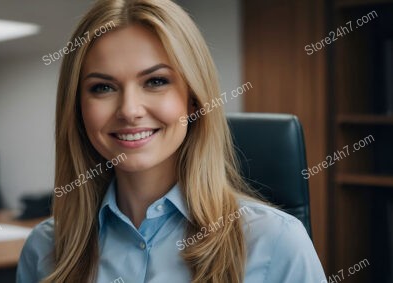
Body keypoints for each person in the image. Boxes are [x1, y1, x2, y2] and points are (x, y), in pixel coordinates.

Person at [17, 0, 327, 282]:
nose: (129, 110)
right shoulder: (45, 249)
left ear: (193, 99)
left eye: (155, 81)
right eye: (102, 87)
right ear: (78, 108)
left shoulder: (275, 242)